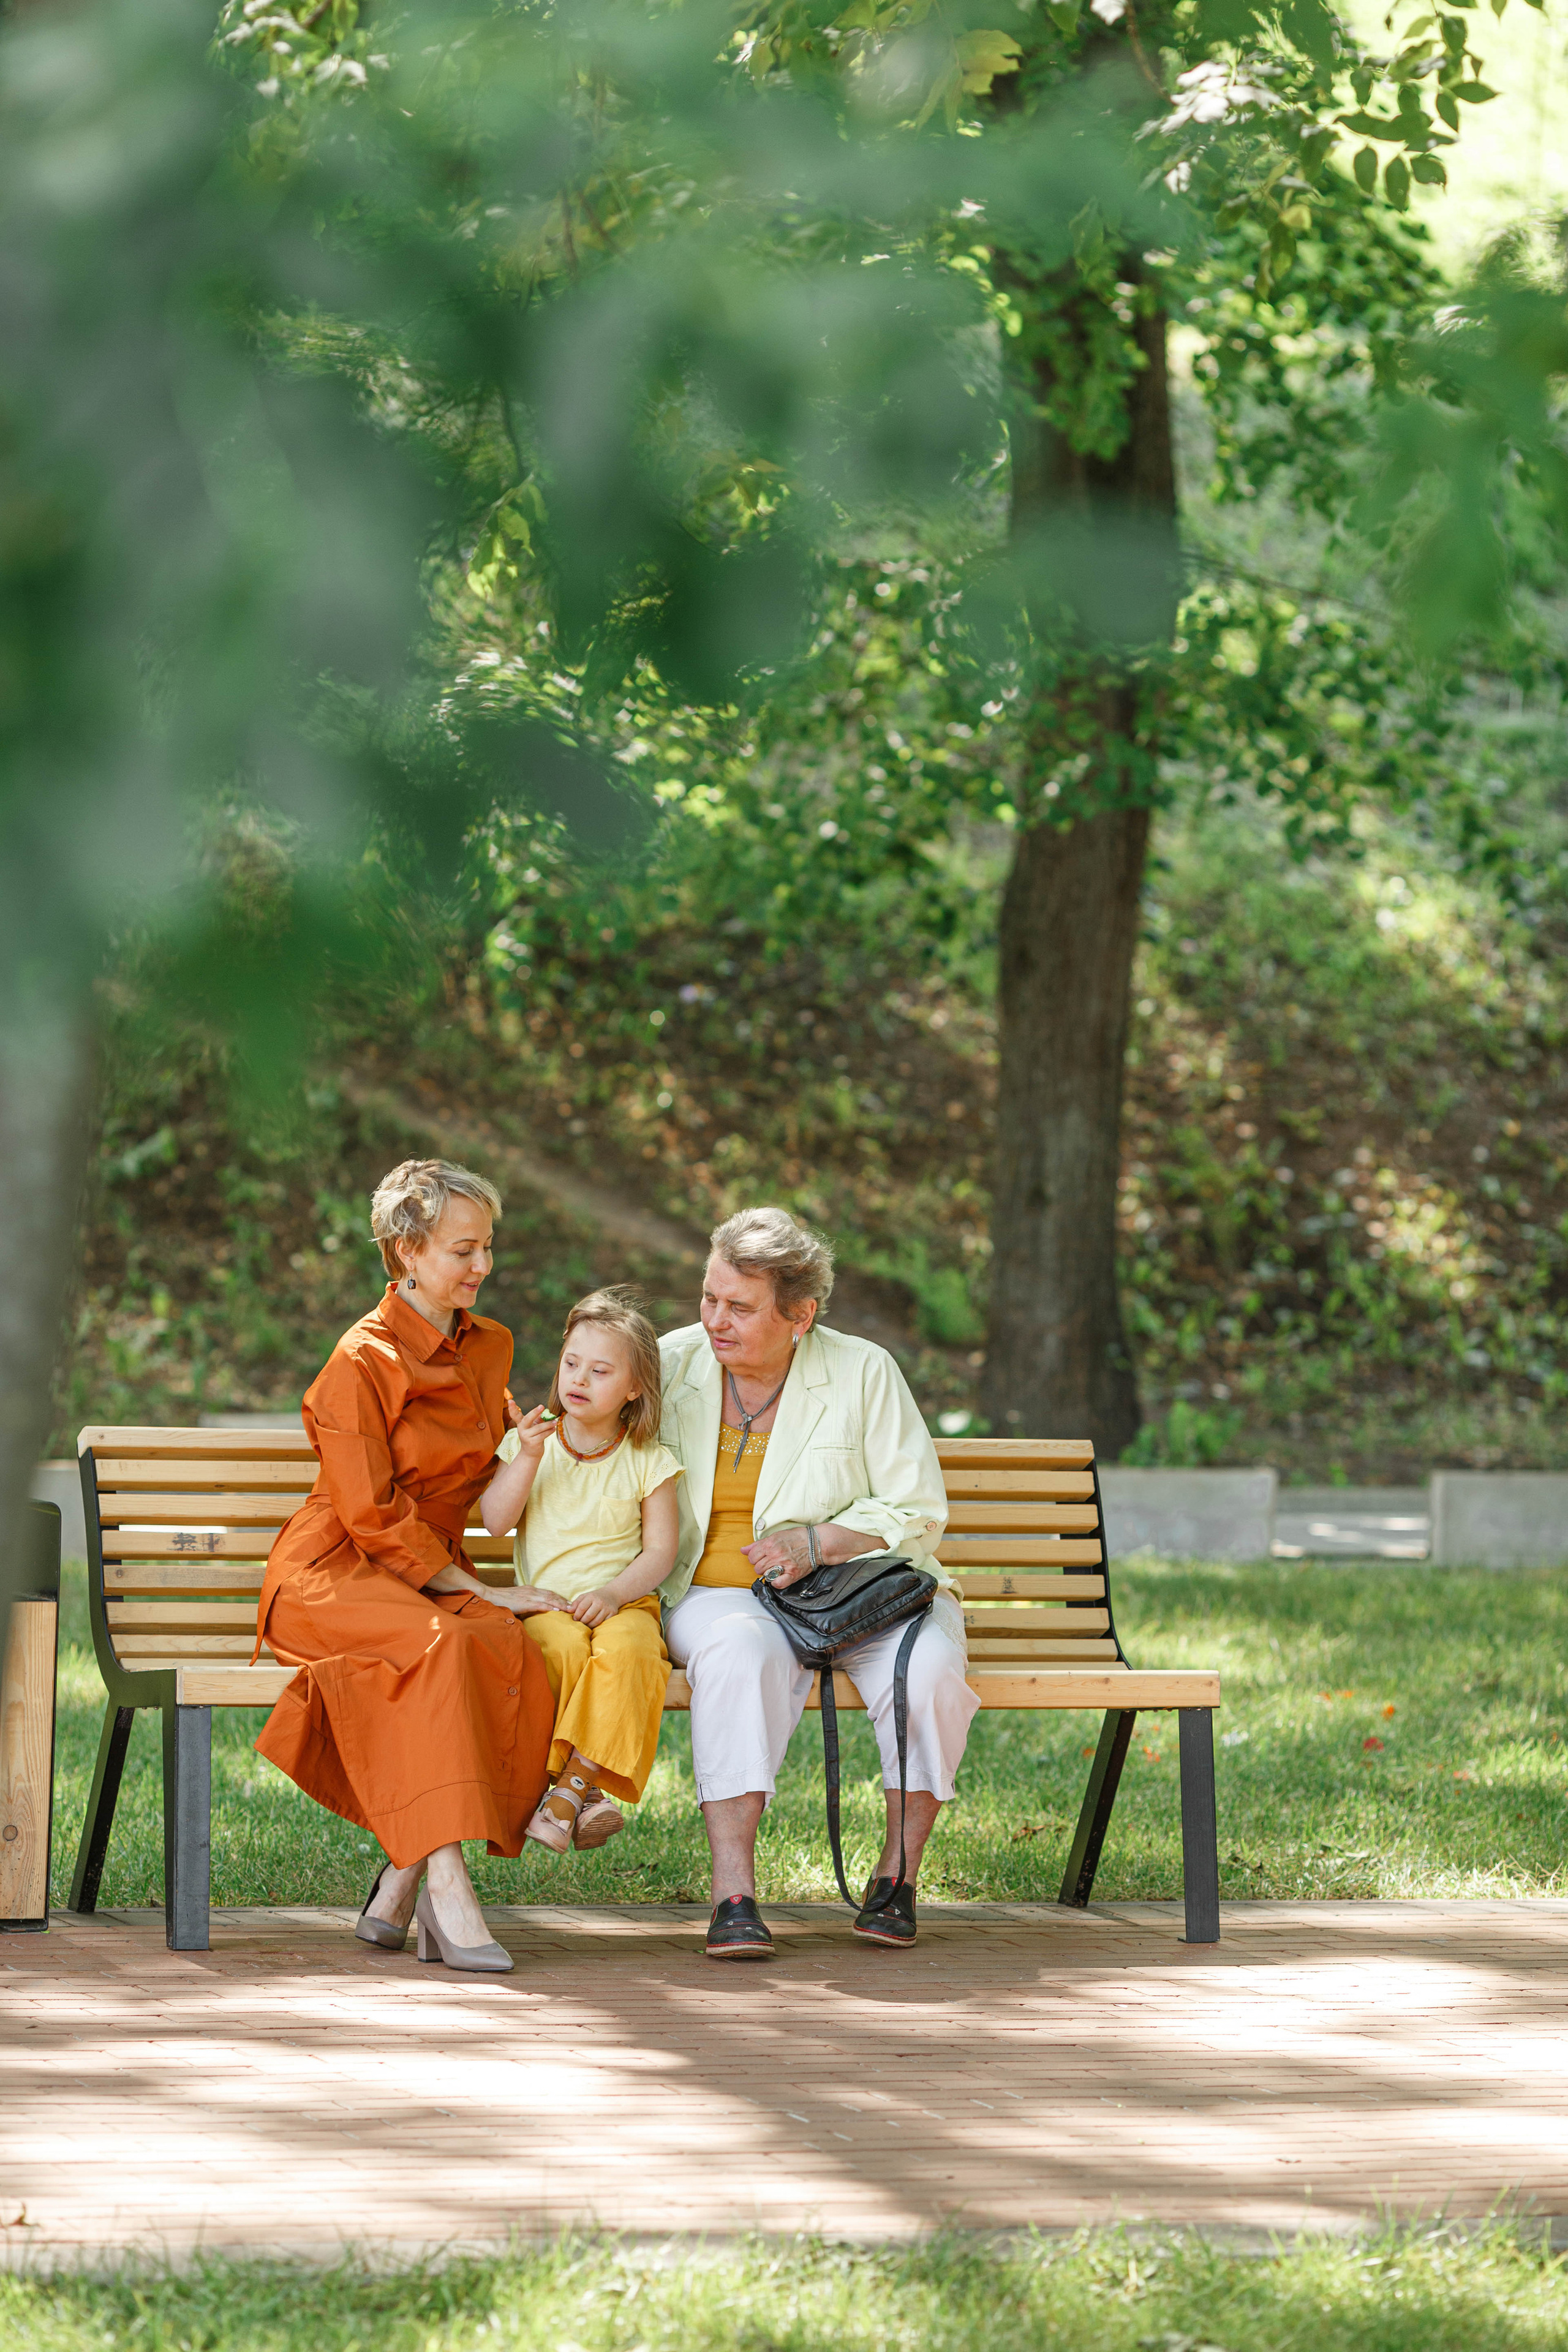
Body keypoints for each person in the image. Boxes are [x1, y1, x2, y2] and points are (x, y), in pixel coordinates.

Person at [254, 1158, 557, 1976]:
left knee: (504, 1642)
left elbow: (485, 1481)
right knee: (440, 1646)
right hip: (334, 1572)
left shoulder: (489, 1347)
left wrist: (525, 1457)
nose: (483, 1267)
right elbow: (368, 1512)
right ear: (407, 1249)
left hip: (426, 1569)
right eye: (464, 1250)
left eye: (488, 1247)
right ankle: (447, 1891)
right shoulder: (359, 1360)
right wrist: (468, 1584)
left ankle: (398, 1882)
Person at [658, 1205, 979, 1960]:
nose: (715, 1320)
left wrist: (823, 1540)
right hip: (719, 1596)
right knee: (738, 1656)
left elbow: (916, 1507)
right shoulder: (670, 1362)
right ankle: (733, 1894)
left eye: (739, 1306)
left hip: (859, 1589)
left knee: (928, 1673)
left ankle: (897, 1877)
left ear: (800, 1314)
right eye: (709, 1298)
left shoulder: (863, 1370)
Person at [481, 1289, 682, 1852]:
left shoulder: (648, 1459)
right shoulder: (533, 1443)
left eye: (600, 1371)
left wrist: (616, 1594)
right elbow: (497, 1522)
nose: (579, 1379)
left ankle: (567, 1792)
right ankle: (582, 1794)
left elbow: (659, 1553)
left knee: (634, 1655)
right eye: (571, 1363)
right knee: (562, 1652)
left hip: (624, 1602)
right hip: (547, 1603)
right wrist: (524, 1457)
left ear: (634, 1388)